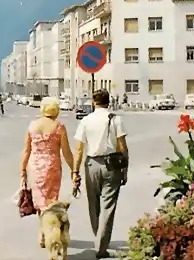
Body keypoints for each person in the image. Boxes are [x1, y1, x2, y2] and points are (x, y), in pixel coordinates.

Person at [72, 89, 128, 259]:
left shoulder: (86, 121)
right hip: (112, 165)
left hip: (91, 165)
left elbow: (79, 149)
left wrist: (75, 172)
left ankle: (99, 238)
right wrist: (125, 169)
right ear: (108, 101)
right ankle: (101, 246)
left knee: (93, 205)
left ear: (93, 102)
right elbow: (122, 147)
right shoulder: (116, 119)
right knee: (108, 207)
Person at [20, 97, 74, 249]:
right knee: (51, 202)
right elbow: (67, 152)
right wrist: (74, 170)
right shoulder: (59, 127)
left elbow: (26, 151)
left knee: (40, 203)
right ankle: (52, 232)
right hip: (53, 168)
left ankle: (43, 233)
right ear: (56, 110)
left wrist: (23, 170)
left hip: (36, 168)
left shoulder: (32, 126)